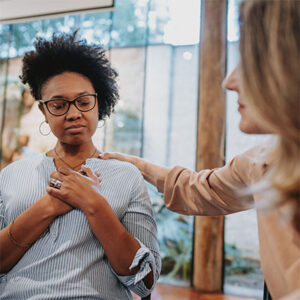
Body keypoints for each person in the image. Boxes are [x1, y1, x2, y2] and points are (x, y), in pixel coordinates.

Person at [101, 0, 300, 299]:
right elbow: (196, 189)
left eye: (249, 60)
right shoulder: (261, 162)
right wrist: (132, 164)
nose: (228, 81)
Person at [0, 32, 161, 299]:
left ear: (99, 103)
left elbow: (145, 281)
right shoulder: (12, 175)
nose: (73, 113)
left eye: (84, 102)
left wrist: (94, 205)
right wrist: (47, 207)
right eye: (59, 105)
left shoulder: (126, 176)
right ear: (43, 111)